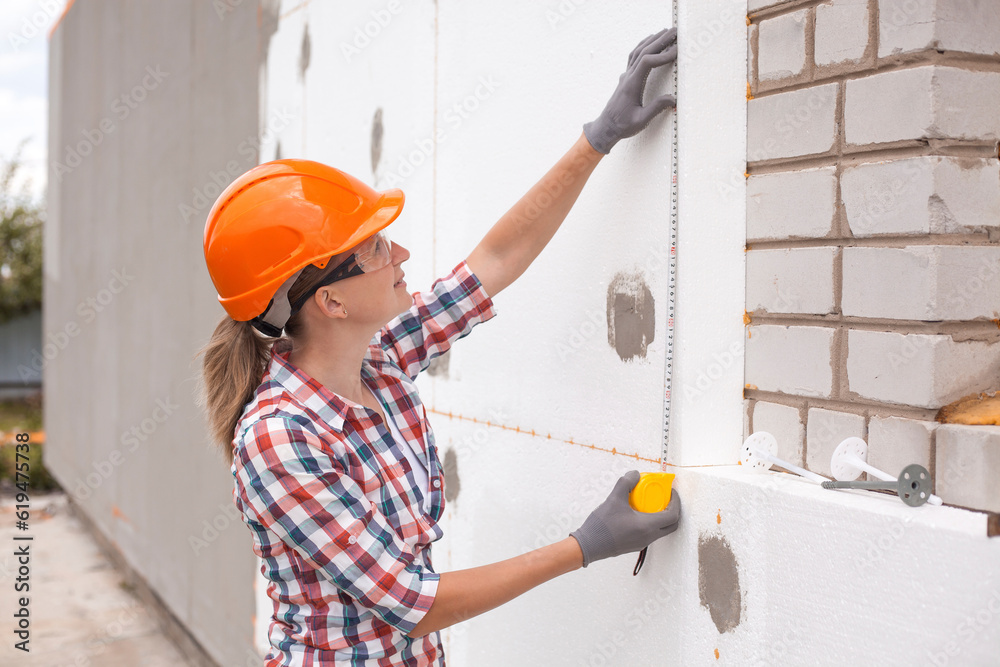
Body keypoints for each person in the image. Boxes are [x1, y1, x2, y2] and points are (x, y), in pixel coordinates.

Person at [198, 27, 681, 666]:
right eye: (373, 248)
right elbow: (415, 603)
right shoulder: (281, 440)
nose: (399, 253)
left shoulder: (382, 359)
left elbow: (497, 258)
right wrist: (585, 545)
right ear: (330, 302)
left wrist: (597, 138)